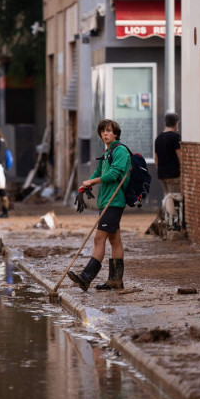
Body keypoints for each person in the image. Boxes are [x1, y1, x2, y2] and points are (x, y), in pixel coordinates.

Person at [67, 119, 131, 292]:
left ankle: (86, 277)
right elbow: (99, 171)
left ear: (116, 133)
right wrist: (87, 183)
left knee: (99, 238)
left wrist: (93, 181)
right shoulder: (107, 151)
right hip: (106, 201)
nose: (105, 134)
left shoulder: (121, 151)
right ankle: (115, 281)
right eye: (103, 131)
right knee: (114, 239)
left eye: (109, 131)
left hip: (115, 201)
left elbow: (112, 174)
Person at [154, 112, 181, 217]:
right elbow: (180, 156)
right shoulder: (175, 137)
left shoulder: (158, 138)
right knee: (173, 201)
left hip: (162, 174)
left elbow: (156, 158)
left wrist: (159, 170)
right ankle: (172, 225)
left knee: (166, 198)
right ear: (176, 123)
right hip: (174, 174)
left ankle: (165, 221)